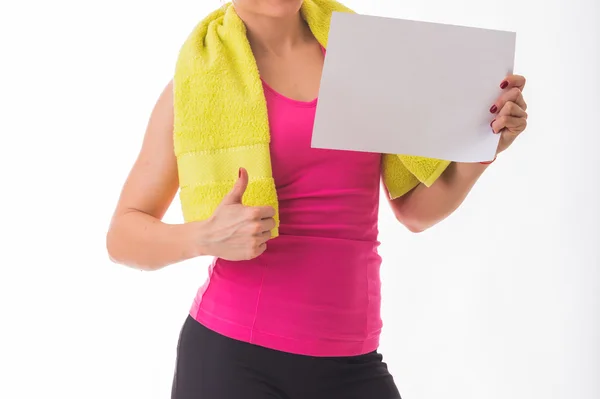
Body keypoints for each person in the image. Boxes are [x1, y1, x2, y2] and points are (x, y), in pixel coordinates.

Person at [106, 1, 528, 398]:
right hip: (233, 361)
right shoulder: (197, 85)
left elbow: (416, 212)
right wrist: (202, 237)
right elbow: (123, 235)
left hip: (353, 363)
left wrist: (487, 145)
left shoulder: (370, 61)